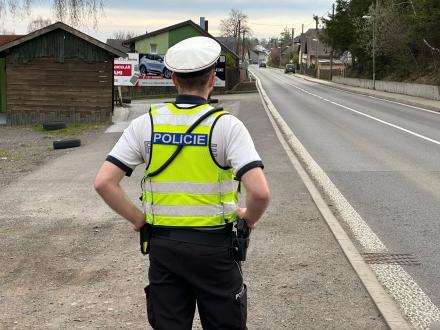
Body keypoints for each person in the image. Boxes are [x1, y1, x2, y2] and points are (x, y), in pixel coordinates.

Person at [94, 36, 270, 330]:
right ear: (212, 79)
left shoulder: (147, 124)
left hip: (165, 248)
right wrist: (247, 220)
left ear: (173, 79)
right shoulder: (226, 126)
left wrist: (139, 220)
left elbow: (103, 182)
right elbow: (260, 193)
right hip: (215, 249)